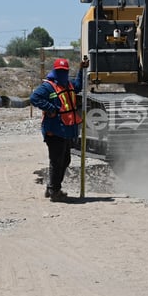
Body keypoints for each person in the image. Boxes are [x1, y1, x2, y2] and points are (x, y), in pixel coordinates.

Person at [29, 57, 88, 202]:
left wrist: (82, 70)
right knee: (57, 161)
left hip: (66, 130)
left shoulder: (68, 84)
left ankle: (52, 188)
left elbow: (79, 86)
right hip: (54, 130)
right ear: (55, 71)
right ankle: (55, 191)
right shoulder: (48, 87)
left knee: (65, 160)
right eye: (60, 71)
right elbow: (34, 98)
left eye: (65, 71)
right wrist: (51, 109)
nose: (62, 73)